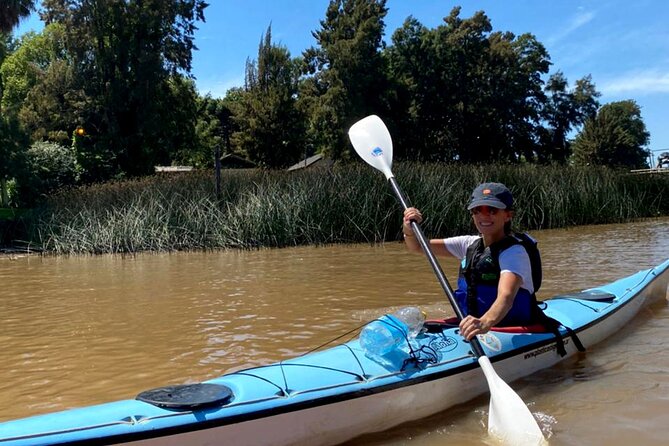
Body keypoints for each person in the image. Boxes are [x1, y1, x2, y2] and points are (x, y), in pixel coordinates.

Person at [402, 182, 537, 341]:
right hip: (470, 322)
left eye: (492, 210)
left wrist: (484, 322)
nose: (483, 216)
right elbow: (418, 246)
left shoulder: (514, 252)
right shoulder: (468, 244)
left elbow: (506, 297)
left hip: (505, 326)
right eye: (477, 210)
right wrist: (408, 229)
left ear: (508, 215)